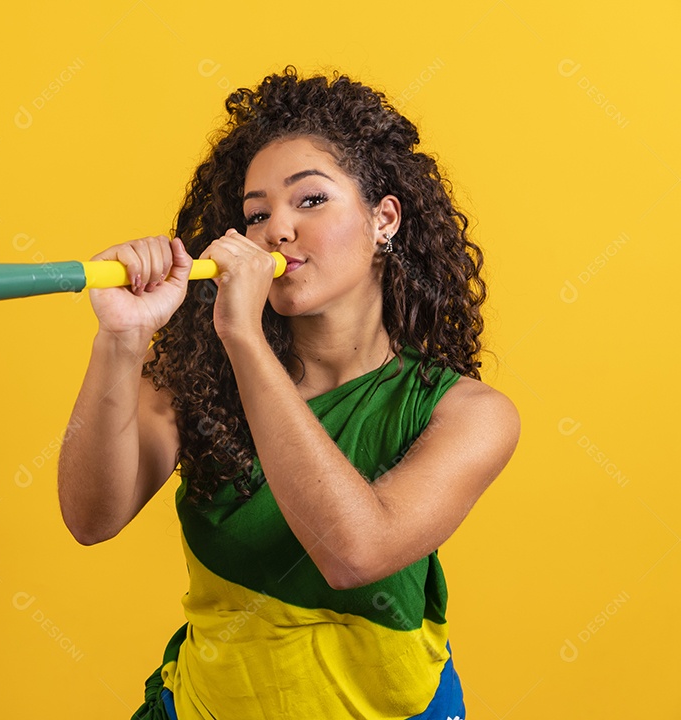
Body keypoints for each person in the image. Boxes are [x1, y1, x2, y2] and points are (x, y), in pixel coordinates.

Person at [56, 66, 519, 720]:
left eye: (311, 200)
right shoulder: (196, 379)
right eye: (257, 213)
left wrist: (242, 335)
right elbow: (90, 519)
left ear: (384, 220)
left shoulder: (469, 413)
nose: (277, 229)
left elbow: (353, 552)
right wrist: (121, 340)